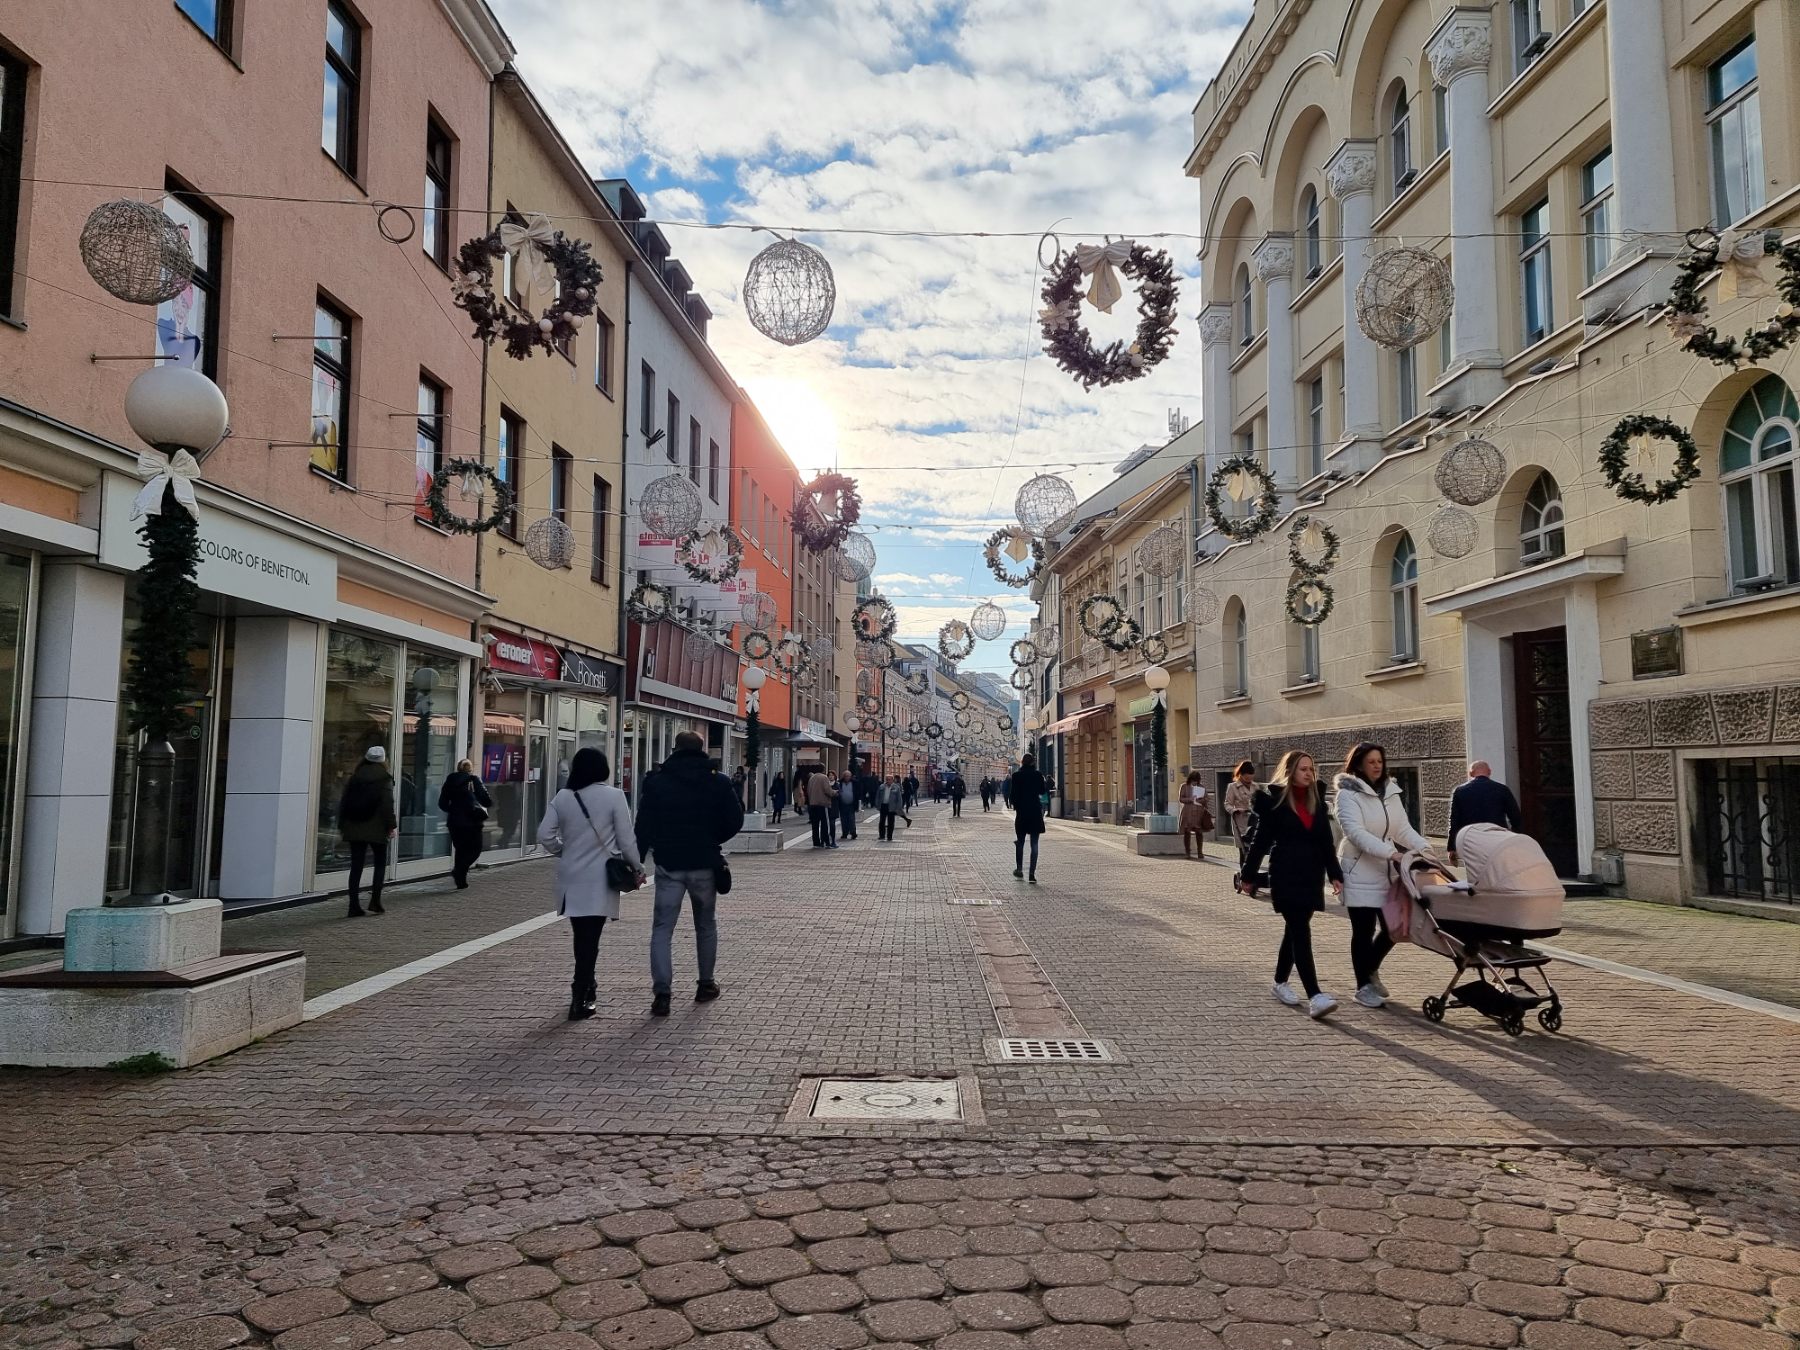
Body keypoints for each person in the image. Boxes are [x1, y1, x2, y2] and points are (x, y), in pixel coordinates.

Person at [634, 731, 744, 1017]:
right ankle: (705, 984)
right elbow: (735, 819)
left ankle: (662, 994)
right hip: (704, 862)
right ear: (701, 750)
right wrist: (713, 839)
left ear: (676, 749)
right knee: (705, 925)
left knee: (662, 929)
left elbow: (643, 824)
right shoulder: (717, 781)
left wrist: (638, 859)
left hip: (669, 863)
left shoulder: (657, 782)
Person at [1236, 750, 1344, 1020]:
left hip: (1310, 874)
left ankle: (1279, 982)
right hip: (1285, 872)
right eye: (1303, 769)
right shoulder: (1274, 803)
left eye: (1311, 769)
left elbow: (1325, 843)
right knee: (1300, 929)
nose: (1309, 774)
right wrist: (1247, 876)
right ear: (1290, 771)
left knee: (1295, 929)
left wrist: (1335, 874)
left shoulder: (1316, 800)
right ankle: (1315, 995)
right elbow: (1260, 843)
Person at [536, 748, 641, 1021]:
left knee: (581, 936)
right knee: (590, 939)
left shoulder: (563, 797)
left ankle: (586, 987)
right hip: (599, 877)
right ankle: (580, 993)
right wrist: (638, 867)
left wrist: (564, 850)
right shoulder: (615, 796)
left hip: (571, 876)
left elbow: (544, 835)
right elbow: (626, 839)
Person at [1334, 742, 1429, 1009]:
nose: (1377, 766)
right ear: (1359, 764)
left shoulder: (1391, 791)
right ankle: (1362, 986)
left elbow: (1403, 829)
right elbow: (1356, 832)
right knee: (1363, 931)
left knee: (1393, 928)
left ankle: (1371, 969)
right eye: (1371, 761)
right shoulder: (1347, 795)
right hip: (1359, 868)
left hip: (1387, 873)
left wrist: (1425, 849)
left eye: (1380, 761)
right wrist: (1391, 853)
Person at [338, 747, 397, 918]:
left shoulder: (355, 777)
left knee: (356, 866)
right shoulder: (384, 778)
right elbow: (387, 804)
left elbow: (344, 802)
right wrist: (391, 825)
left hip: (354, 826)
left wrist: (342, 825)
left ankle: (353, 905)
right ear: (383, 760)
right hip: (376, 827)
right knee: (379, 863)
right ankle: (375, 901)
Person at [1448, 759, 1524, 861]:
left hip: (1471, 839)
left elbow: (1454, 821)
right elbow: (1515, 817)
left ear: (1470, 773)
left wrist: (1452, 847)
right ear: (1489, 772)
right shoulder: (1502, 789)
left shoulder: (1460, 791)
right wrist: (1514, 838)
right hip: (1496, 838)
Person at [438, 757, 493, 889]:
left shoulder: (449, 781)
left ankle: (461, 881)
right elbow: (486, 800)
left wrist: (454, 810)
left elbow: (442, 803)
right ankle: (459, 871)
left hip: (454, 822)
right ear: (470, 769)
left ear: (458, 768)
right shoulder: (473, 780)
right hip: (472, 821)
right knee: (475, 849)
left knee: (461, 850)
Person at [1010, 752, 1048, 883]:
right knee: (1034, 844)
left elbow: (1012, 795)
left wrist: (1016, 805)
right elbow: (1042, 791)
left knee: (1020, 842)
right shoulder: (1038, 775)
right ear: (1033, 763)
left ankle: (1019, 869)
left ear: (1022, 763)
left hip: (1021, 813)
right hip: (1035, 812)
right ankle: (1032, 874)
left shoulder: (1016, 776)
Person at [1224, 761, 1257, 863]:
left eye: (1251, 778)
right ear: (1241, 775)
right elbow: (1227, 804)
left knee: (1254, 848)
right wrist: (1235, 810)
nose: (1249, 781)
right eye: (1247, 778)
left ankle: (1252, 872)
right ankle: (1244, 872)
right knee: (1244, 849)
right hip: (1240, 821)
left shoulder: (1255, 786)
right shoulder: (1232, 787)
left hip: (1253, 820)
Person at [1178, 770, 1212, 860]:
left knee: (1199, 832)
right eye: (1193, 780)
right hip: (1188, 812)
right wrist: (1190, 799)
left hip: (1198, 812)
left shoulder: (1201, 787)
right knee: (1187, 832)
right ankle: (1187, 852)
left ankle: (1200, 852)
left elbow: (1206, 798)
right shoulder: (1184, 786)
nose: (1195, 782)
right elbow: (1181, 798)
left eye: (1196, 781)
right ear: (1190, 779)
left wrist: (1201, 800)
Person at [805, 765, 835, 848]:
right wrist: (834, 792)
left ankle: (816, 843)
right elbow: (827, 790)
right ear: (823, 769)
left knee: (815, 824)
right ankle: (827, 842)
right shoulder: (824, 777)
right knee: (825, 824)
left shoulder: (811, 778)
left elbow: (808, 790)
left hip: (813, 804)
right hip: (822, 804)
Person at [877, 773, 905, 841]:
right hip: (883, 805)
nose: (888, 781)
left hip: (892, 806)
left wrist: (898, 807)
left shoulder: (896, 787)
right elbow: (877, 796)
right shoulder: (881, 786)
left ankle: (889, 836)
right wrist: (877, 804)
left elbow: (899, 798)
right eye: (887, 779)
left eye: (889, 779)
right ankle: (882, 835)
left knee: (891, 822)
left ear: (892, 780)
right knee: (882, 821)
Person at [836, 770, 859, 841]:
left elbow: (858, 793)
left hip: (851, 804)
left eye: (848, 776)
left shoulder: (854, 783)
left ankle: (853, 833)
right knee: (843, 820)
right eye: (845, 776)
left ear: (850, 776)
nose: (847, 777)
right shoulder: (840, 783)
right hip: (842, 804)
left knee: (851, 820)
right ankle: (844, 833)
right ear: (843, 776)